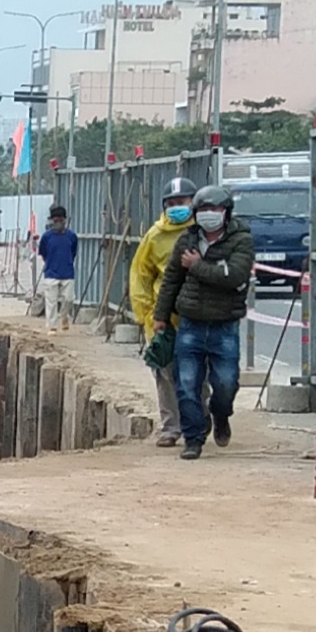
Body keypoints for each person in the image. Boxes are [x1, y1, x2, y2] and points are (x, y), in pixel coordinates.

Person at [152, 183, 256, 460]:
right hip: (190, 324)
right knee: (186, 385)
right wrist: (160, 316)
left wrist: (197, 266)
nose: (209, 214)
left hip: (224, 325)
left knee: (225, 383)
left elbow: (234, 276)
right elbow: (171, 280)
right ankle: (194, 439)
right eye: (204, 209)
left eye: (215, 209)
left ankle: (221, 415)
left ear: (226, 212)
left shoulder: (241, 241)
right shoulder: (186, 241)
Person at [128, 176, 197, 446]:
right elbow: (141, 277)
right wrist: (146, 315)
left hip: (197, 316)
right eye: (171, 203)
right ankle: (171, 427)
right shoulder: (154, 236)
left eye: (181, 202)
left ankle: (198, 418)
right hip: (162, 319)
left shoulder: (203, 233)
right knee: (165, 374)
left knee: (196, 374)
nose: (176, 207)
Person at [35, 203, 79, 328]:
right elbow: (43, 253)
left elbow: (73, 252)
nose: (58, 222)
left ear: (64, 220)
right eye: (55, 219)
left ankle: (64, 317)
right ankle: (52, 326)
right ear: (52, 220)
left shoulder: (71, 236)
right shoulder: (46, 237)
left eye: (60, 219)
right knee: (51, 302)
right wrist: (50, 263)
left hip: (67, 273)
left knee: (69, 299)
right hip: (51, 273)